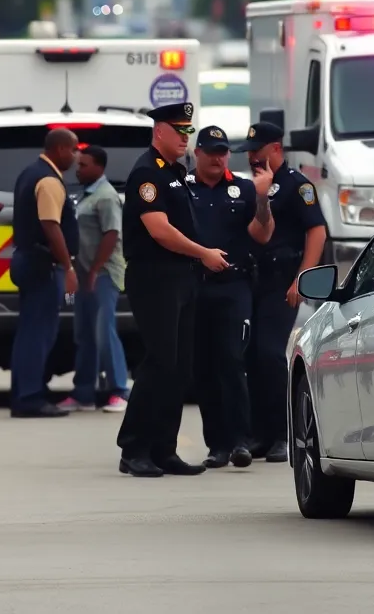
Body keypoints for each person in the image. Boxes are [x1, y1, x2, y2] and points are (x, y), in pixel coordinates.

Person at [115, 102, 230, 477]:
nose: (184, 137)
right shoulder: (147, 174)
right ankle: (133, 448)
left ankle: (164, 448)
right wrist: (204, 253)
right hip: (155, 276)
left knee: (180, 367)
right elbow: (159, 230)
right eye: (178, 131)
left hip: (181, 276)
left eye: (187, 131)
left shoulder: (175, 173)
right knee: (160, 361)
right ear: (158, 131)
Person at [186, 126, 274, 469]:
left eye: (222, 151)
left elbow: (263, 235)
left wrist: (263, 199)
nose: (217, 157)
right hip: (195, 286)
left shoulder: (244, 188)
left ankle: (240, 440)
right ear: (198, 154)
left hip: (233, 286)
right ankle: (217, 446)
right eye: (210, 151)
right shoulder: (183, 188)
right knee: (203, 368)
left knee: (232, 363)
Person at [238, 121, 327, 462]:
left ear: (276, 148)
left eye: (257, 151)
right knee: (251, 357)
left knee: (270, 354)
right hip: (253, 280)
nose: (252, 158)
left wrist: (301, 279)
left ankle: (282, 434)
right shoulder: (254, 186)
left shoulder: (297, 186)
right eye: (249, 153)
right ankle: (260, 433)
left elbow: (316, 232)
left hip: (281, 282)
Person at [8, 127, 81, 418]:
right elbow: (51, 225)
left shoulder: (30, 172)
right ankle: (30, 398)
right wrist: (68, 266)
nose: (76, 157)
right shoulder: (49, 181)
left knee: (29, 332)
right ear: (61, 149)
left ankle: (24, 393)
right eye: (74, 150)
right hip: (41, 265)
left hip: (28, 260)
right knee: (38, 334)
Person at [58, 145, 130, 414]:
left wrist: (95, 269)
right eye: (78, 165)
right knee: (85, 334)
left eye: (84, 165)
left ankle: (119, 390)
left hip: (102, 275)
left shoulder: (106, 196)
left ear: (100, 167)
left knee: (104, 332)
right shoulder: (86, 195)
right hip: (86, 274)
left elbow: (112, 234)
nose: (79, 169)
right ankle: (83, 392)